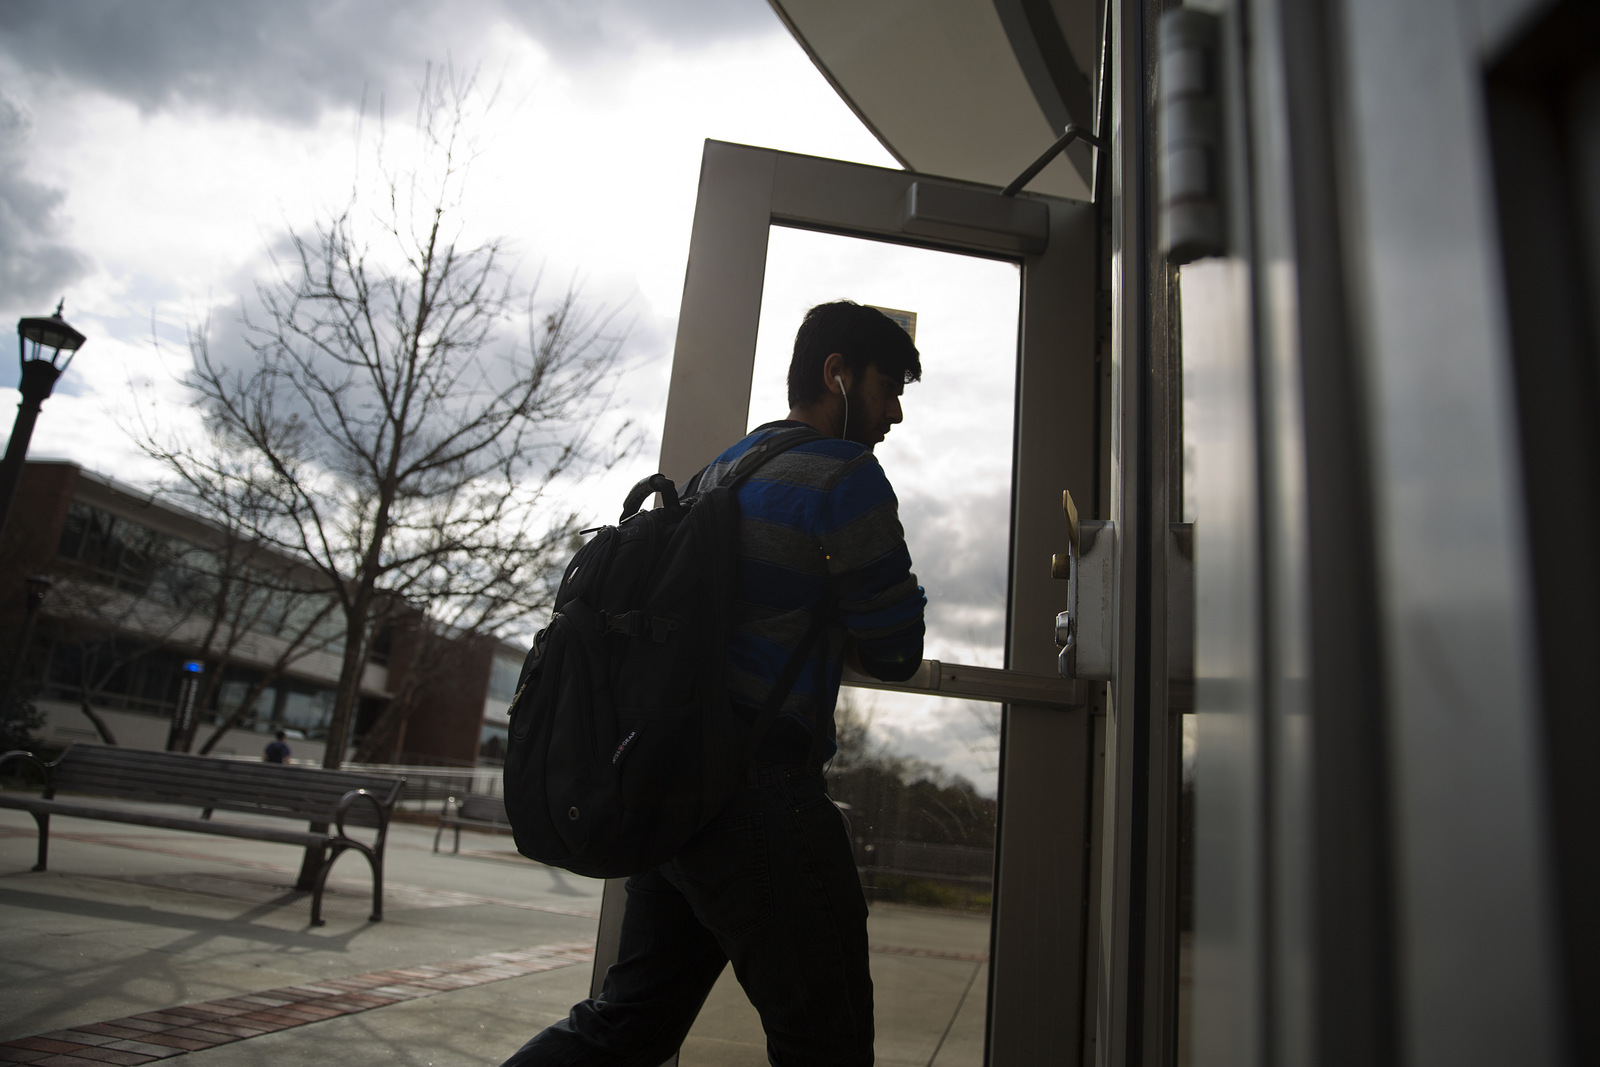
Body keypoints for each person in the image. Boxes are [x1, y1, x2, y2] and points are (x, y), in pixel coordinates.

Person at [501, 301, 927, 1067]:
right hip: (764, 797)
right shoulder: (845, 473)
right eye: (888, 385)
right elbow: (896, 647)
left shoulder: (724, 469)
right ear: (838, 374)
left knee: (625, 1025)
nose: (895, 409)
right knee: (825, 1042)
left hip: (679, 790)